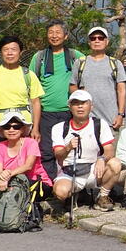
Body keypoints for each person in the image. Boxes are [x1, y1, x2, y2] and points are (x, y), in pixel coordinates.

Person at [51, 90, 120, 211]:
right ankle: (73, 195)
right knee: (60, 192)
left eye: (84, 103)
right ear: (70, 107)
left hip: (93, 171)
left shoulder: (100, 124)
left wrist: (102, 159)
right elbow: (58, 155)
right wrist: (68, 147)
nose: (80, 106)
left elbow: (109, 150)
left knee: (115, 164)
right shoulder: (59, 128)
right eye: (76, 103)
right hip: (69, 172)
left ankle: (102, 196)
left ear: (91, 106)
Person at [30, 21, 81, 182]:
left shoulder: (75, 56)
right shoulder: (39, 57)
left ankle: (72, 185)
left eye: (58, 32)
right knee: (46, 152)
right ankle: (49, 186)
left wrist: (124, 64)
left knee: (71, 149)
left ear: (65, 36)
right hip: (46, 113)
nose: (54, 35)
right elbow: (32, 84)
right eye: (51, 32)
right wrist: (35, 126)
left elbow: (93, 65)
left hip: (69, 113)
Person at [0, 34, 44, 156]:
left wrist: (35, 128)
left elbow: (36, 102)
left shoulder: (28, 75)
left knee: (24, 162)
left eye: (13, 49)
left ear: (20, 52)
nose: (10, 53)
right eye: (6, 50)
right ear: (0, 53)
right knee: (0, 163)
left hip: (23, 126)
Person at [69, 26, 126, 131]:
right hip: (85, 122)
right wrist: (80, 95)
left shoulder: (115, 63)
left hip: (110, 121)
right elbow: (72, 86)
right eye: (93, 38)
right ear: (89, 42)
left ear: (107, 42)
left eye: (100, 38)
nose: (97, 41)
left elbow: (121, 90)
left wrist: (120, 114)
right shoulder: (80, 63)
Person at [0, 112, 49, 201]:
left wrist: (7, 176)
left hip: (35, 182)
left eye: (16, 127)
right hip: (11, 181)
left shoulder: (31, 143)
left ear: (23, 129)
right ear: (2, 130)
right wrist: (1, 175)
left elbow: (28, 166)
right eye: (7, 127)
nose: (11, 130)